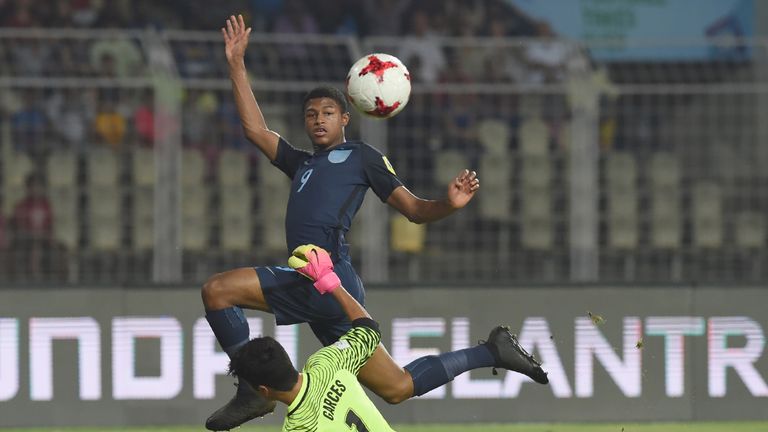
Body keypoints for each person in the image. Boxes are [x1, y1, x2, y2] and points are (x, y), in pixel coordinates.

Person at [204, 15, 548, 431]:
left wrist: (449, 203)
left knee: (217, 291)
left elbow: (414, 210)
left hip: (324, 278)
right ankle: (492, 352)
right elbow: (255, 129)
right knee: (398, 387)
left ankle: (250, 391)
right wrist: (237, 65)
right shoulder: (302, 164)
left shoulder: (361, 157)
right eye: (311, 113)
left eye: (328, 112)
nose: (318, 119)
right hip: (322, 283)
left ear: (345, 118)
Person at [230, 245, 397, 431]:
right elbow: (369, 329)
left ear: (264, 391)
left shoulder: (299, 428)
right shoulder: (329, 363)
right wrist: (330, 281)